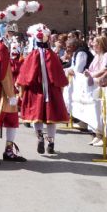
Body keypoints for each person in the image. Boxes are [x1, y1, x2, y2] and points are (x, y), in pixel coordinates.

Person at [0, 1, 41, 164]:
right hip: (1, 92)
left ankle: (9, 151)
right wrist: (12, 94)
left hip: (5, 91)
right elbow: (3, 74)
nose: (12, 35)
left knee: (12, 121)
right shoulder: (0, 48)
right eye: (10, 31)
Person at [17, 24, 69, 154]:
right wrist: (60, 90)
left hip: (35, 91)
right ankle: (50, 142)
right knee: (51, 118)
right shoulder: (52, 55)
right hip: (51, 91)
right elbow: (58, 75)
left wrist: (21, 91)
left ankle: (40, 137)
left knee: (37, 116)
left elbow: (25, 75)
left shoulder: (31, 55)